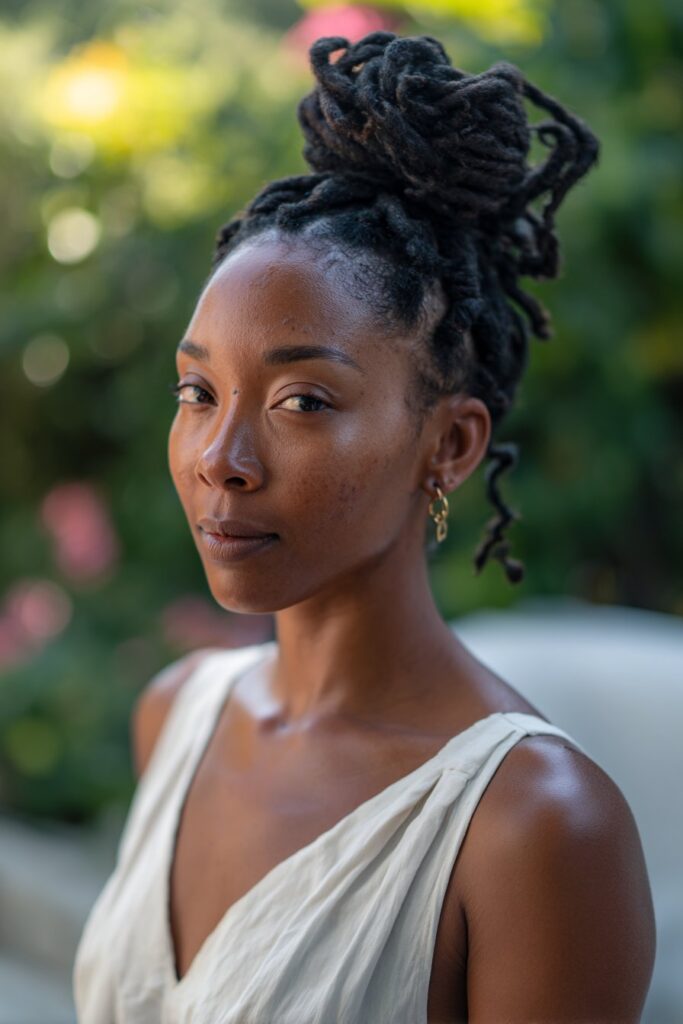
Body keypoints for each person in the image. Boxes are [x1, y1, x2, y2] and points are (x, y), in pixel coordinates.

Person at [73, 30, 656, 1023]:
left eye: (302, 400)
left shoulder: (531, 826)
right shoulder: (176, 715)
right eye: (198, 390)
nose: (221, 455)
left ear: (451, 443)